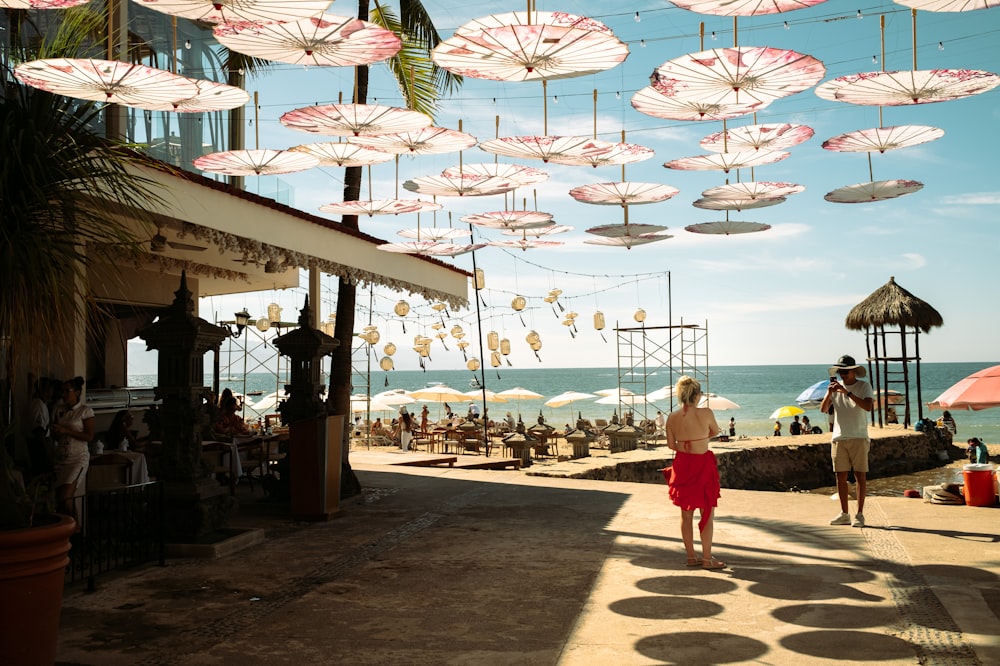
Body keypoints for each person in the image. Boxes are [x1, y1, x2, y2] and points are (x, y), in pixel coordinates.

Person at [664, 375, 724, 570]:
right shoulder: (706, 413)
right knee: (707, 512)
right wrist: (700, 438)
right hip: (702, 464)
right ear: (697, 395)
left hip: (682, 465)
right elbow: (715, 431)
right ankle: (707, 559)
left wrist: (687, 441)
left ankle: (691, 556)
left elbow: (672, 445)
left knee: (686, 514)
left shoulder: (672, 418)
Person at [820, 354, 874, 528]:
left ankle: (859, 514)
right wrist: (829, 393)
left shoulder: (863, 386)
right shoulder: (835, 389)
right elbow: (823, 409)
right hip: (839, 437)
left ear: (853, 371)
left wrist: (847, 393)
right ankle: (844, 514)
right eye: (840, 371)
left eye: (845, 371)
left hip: (858, 436)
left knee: (860, 476)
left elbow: (867, 406)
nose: (843, 374)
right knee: (840, 476)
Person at [51, 377, 94, 518]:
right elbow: (56, 436)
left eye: (66, 391)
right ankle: (69, 530)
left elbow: (89, 436)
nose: (63, 394)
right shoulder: (59, 410)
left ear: (76, 392)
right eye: (61, 391)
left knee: (66, 497)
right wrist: (56, 432)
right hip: (61, 457)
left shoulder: (85, 411)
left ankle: (75, 530)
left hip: (77, 458)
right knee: (59, 500)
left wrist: (67, 431)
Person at [26, 376, 55, 475]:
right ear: (45, 391)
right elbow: (38, 431)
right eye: (50, 390)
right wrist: (46, 453)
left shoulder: (41, 404)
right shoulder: (38, 405)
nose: (52, 393)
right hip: (39, 446)